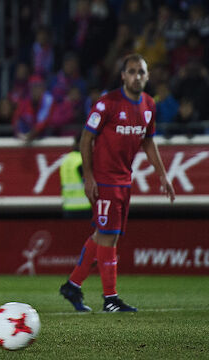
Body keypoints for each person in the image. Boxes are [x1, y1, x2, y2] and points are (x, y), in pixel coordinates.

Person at [59, 54, 175, 313]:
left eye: (141, 72)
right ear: (123, 76)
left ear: (147, 76)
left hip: (124, 180)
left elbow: (148, 141)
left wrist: (163, 175)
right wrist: (89, 177)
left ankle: (73, 286)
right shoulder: (107, 104)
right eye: (131, 71)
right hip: (105, 180)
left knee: (103, 235)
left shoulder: (148, 105)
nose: (136, 76)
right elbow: (86, 139)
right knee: (109, 238)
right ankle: (110, 298)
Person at [59, 133, 91, 219]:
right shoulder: (82, 160)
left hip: (68, 207)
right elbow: (90, 183)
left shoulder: (66, 160)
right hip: (85, 207)